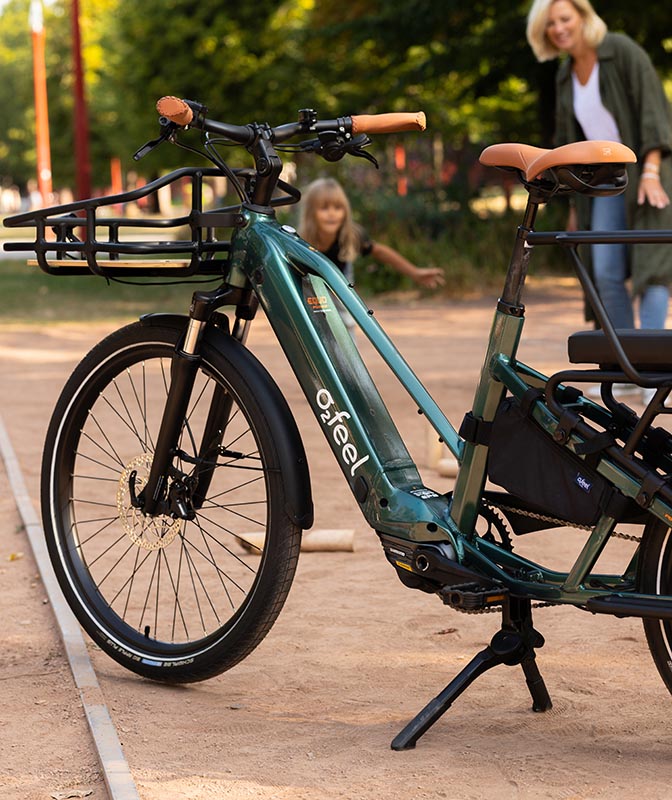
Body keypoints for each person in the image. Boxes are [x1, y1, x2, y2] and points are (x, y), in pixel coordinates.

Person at [526, 0, 672, 335]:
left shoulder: (621, 50)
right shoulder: (565, 74)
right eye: (551, 24)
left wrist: (651, 173)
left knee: (652, 269)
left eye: (565, 19)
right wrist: (576, 202)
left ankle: (654, 367)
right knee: (604, 271)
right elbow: (570, 145)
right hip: (605, 181)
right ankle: (627, 361)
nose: (559, 28)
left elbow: (654, 112)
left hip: (648, 172)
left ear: (583, 17)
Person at [297, 177, 445, 294]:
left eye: (338, 208)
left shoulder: (351, 236)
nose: (332, 213)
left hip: (339, 292)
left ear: (346, 211)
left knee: (344, 317)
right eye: (324, 208)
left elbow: (380, 251)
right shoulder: (298, 242)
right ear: (311, 213)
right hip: (309, 293)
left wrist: (415, 273)